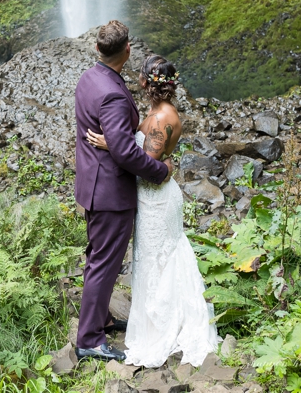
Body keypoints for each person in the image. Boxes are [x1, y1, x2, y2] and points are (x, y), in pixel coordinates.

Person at [85, 55, 219, 367]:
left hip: (156, 198)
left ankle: (162, 327)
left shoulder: (161, 119)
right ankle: (157, 320)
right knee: (152, 260)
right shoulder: (158, 112)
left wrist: (112, 145)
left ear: (145, 82)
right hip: (150, 198)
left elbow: (146, 167)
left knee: (158, 259)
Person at [71, 20, 172, 362]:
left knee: (98, 258)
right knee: (104, 264)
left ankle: (99, 318)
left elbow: (111, 139)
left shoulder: (89, 78)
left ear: (97, 49)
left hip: (91, 182)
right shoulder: (113, 93)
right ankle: (89, 339)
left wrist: (111, 144)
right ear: (127, 50)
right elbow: (126, 152)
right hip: (110, 192)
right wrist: (160, 171)